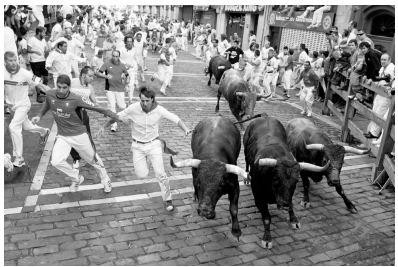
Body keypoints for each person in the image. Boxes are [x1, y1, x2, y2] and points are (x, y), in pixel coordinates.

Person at [96, 86, 192, 212]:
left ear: (152, 99)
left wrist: (185, 129)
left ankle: (167, 199)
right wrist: (104, 126)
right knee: (142, 174)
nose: (144, 103)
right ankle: (146, 161)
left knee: (161, 174)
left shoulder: (159, 110)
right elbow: (116, 116)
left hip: (154, 144)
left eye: (147, 101)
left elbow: (175, 118)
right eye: (142, 100)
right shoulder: (133, 108)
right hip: (138, 146)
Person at [31, 74, 123, 193]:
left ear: (69, 87)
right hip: (63, 136)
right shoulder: (50, 94)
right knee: (56, 161)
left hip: (79, 135)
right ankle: (77, 177)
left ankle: (106, 179)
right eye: (59, 87)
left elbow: (98, 108)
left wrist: (116, 117)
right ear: (56, 86)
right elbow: (46, 106)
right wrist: (39, 116)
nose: (61, 90)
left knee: (93, 160)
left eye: (64, 88)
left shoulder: (77, 98)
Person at [4, 51, 50, 167]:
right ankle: (44, 132)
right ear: (5, 61)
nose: (14, 63)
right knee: (26, 126)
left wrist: (55, 94)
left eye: (15, 60)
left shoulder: (25, 73)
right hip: (12, 106)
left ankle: (19, 158)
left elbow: (40, 84)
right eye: (10, 61)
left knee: (13, 127)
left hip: (23, 105)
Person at [68, 66, 99, 169]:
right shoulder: (71, 82)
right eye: (90, 76)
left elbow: (94, 101)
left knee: (87, 136)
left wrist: (102, 110)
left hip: (83, 114)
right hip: (71, 114)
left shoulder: (90, 87)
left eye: (93, 76)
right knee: (73, 137)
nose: (92, 78)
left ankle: (92, 156)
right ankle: (76, 158)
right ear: (83, 75)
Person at [97, 50, 130, 132]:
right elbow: (98, 73)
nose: (115, 58)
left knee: (122, 106)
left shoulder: (122, 65)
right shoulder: (107, 63)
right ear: (112, 56)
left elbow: (127, 75)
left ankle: (126, 110)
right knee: (112, 107)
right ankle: (114, 125)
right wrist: (105, 76)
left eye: (117, 56)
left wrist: (127, 82)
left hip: (120, 89)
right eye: (114, 56)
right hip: (110, 89)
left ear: (119, 57)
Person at [364, 54, 394, 139]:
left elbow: (392, 82)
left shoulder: (392, 68)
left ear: (389, 60)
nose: (382, 61)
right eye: (381, 60)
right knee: (375, 111)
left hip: (386, 94)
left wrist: (384, 83)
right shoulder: (382, 68)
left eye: (385, 60)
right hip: (379, 92)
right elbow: (381, 79)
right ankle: (372, 131)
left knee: (380, 113)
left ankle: (374, 134)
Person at [27, 26, 49, 103]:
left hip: (43, 61)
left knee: (46, 78)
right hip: (34, 62)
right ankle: (38, 95)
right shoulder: (32, 39)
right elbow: (28, 49)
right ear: (39, 33)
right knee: (37, 79)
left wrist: (47, 51)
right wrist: (35, 51)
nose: (45, 34)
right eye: (43, 32)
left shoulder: (43, 40)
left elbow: (45, 49)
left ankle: (43, 90)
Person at [119, 35, 138, 104]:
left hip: (131, 69)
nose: (129, 43)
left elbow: (135, 57)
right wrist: (125, 63)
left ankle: (130, 100)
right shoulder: (121, 49)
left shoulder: (134, 49)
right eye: (128, 42)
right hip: (122, 70)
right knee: (122, 86)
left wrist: (138, 63)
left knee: (131, 85)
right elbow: (117, 58)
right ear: (125, 42)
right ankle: (121, 100)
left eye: (131, 42)